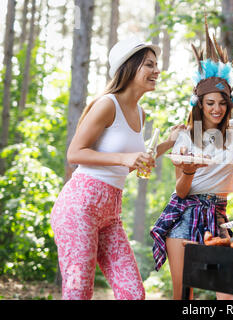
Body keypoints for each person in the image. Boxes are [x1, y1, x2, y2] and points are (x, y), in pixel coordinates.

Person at [50, 37, 183, 300]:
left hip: (111, 213)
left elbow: (135, 159)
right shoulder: (107, 104)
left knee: (133, 293)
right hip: (79, 207)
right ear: (129, 67)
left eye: (156, 65)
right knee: (77, 292)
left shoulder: (141, 113)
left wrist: (169, 142)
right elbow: (74, 153)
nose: (157, 70)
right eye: (149, 64)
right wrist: (124, 159)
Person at [150, 18, 233, 300]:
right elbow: (180, 190)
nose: (217, 109)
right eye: (210, 103)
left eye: (222, 103)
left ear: (230, 104)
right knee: (182, 295)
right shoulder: (186, 136)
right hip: (185, 213)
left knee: (230, 294)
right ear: (199, 104)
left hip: (218, 214)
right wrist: (187, 172)